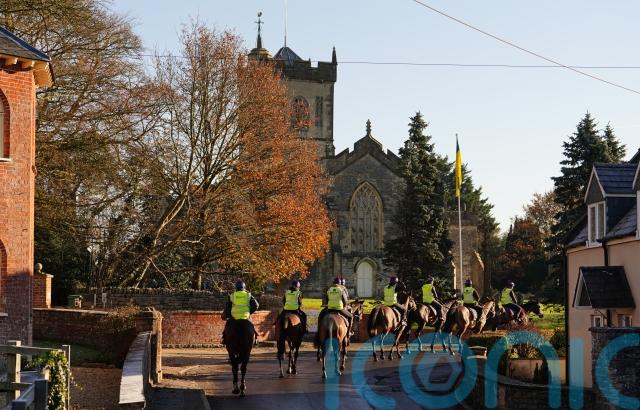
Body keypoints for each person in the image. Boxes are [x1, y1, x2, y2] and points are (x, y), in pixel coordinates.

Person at [315, 277, 353, 345]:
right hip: (339, 308)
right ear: (339, 283)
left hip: (330, 308)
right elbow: (345, 301)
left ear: (333, 283)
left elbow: (326, 299)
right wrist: (344, 306)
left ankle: (318, 333)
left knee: (321, 316)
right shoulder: (342, 289)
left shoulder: (329, 289)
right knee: (351, 316)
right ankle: (348, 334)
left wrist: (329, 304)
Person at [222, 280, 259, 344]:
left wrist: (227, 315)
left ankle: (224, 339)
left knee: (227, 326)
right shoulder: (248, 295)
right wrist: (249, 312)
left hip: (234, 318)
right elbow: (256, 305)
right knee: (251, 325)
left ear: (236, 288)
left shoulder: (232, 295)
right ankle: (255, 337)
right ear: (244, 287)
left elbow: (228, 308)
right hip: (245, 317)